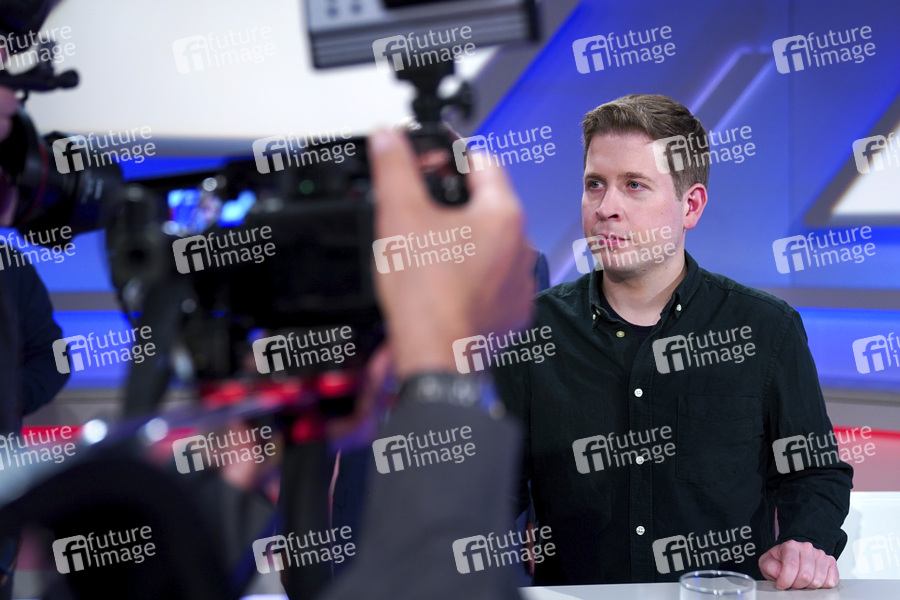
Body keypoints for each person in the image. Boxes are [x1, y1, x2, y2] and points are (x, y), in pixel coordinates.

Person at [492, 94, 853, 591]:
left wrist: (806, 542)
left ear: (691, 205)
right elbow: (492, 493)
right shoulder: (530, 331)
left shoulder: (766, 329)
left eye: (634, 185)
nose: (606, 208)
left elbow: (813, 471)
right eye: (595, 184)